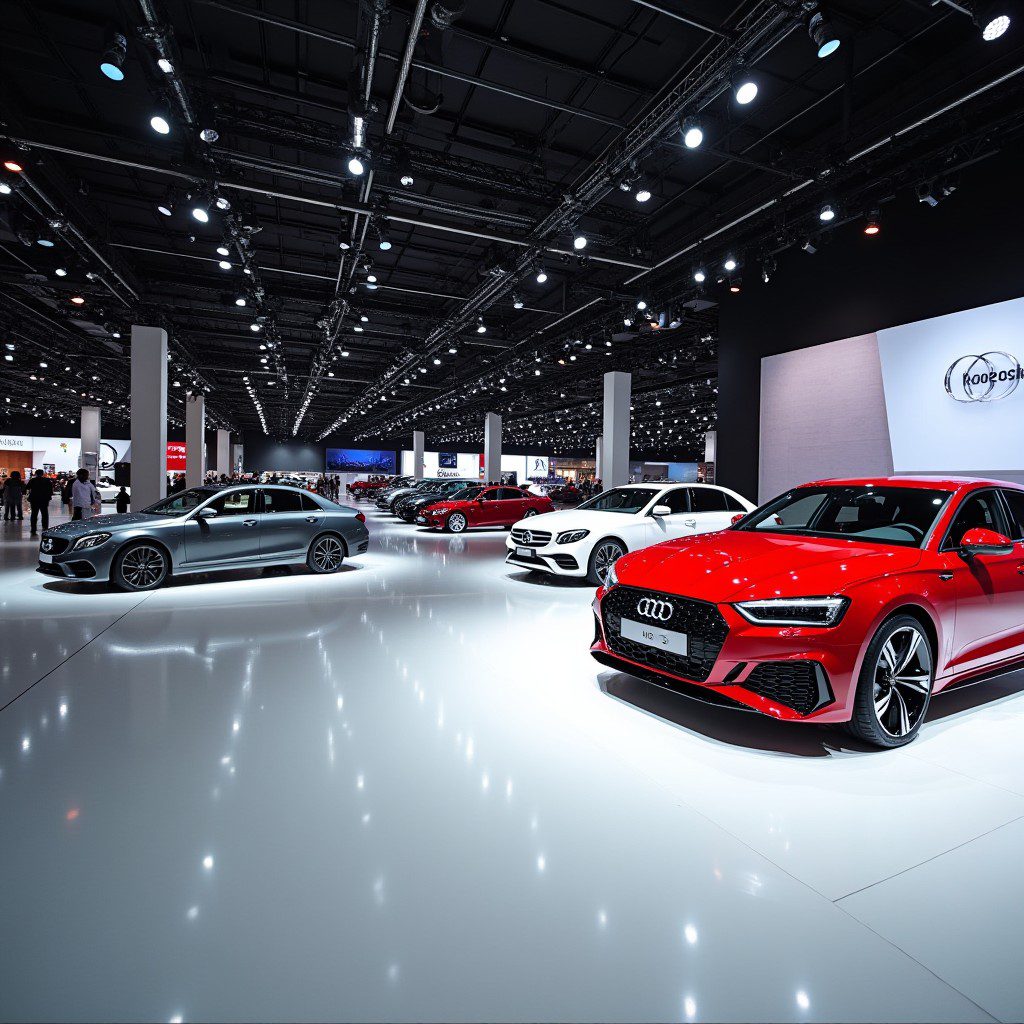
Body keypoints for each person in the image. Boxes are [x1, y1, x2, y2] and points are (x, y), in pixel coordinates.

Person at [26, 469, 53, 536]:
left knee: (34, 514)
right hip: (44, 499)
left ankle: (33, 528)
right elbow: (50, 489)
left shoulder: (33, 480)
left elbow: (27, 487)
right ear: (42, 473)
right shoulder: (47, 480)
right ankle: (45, 527)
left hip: (34, 499)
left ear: (35, 473)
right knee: (44, 514)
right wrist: (49, 496)